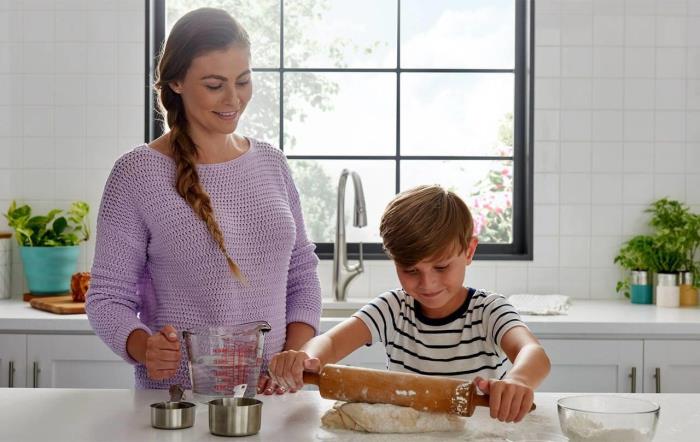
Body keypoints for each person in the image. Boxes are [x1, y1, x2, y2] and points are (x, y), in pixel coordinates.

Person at [86, 8, 321, 395]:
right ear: (177, 81)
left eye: (243, 81)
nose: (234, 99)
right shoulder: (136, 174)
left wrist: (293, 354)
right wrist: (144, 347)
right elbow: (108, 296)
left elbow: (301, 272)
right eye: (214, 85)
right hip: (178, 404)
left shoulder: (271, 163)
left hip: (275, 401)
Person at [269, 185, 550, 423]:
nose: (427, 284)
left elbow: (532, 351)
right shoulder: (393, 308)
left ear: (469, 251)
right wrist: (304, 358)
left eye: (441, 268)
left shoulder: (488, 310)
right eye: (411, 270)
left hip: (480, 434)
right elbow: (330, 343)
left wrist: (519, 381)